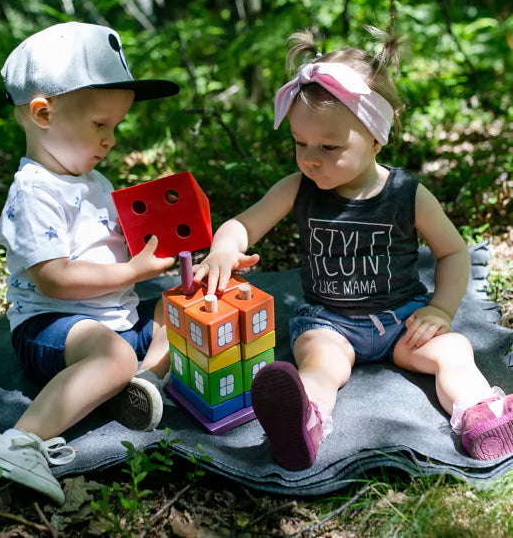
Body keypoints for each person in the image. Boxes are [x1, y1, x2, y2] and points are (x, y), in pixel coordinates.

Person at [193, 29, 513, 471]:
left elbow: (454, 253)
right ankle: (303, 422)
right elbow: (244, 224)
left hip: (402, 318)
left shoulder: (406, 193)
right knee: (321, 364)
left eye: (329, 146)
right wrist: (226, 247)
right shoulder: (298, 189)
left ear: (376, 138)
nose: (311, 159)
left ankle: (482, 413)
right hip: (329, 320)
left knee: (453, 350)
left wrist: (440, 309)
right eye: (299, 143)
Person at [0, 22, 180, 503]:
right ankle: (20, 441)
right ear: (43, 114)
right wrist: (131, 272)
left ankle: (142, 381)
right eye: (99, 125)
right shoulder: (35, 191)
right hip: (52, 324)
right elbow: (56, 278)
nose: (110, 140)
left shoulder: (95, 181)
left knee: (178, 306)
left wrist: (156, 248)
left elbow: (111, 246)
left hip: (115, 320)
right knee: (112, 354)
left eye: (115, 127)